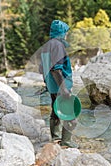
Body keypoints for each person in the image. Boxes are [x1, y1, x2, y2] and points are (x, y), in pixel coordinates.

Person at [39, 20, 78, 148]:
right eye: (65, 32)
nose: (66, 35)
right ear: (61, 32)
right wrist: (64, 89)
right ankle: (66, 143)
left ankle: (55, 138)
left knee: (55, 111)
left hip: (51, 86)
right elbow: (57, 69)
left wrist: (47, 83)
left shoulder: (46, 45)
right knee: (71, 117)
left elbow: (42, 68)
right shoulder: (58, 45)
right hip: (60, 85)